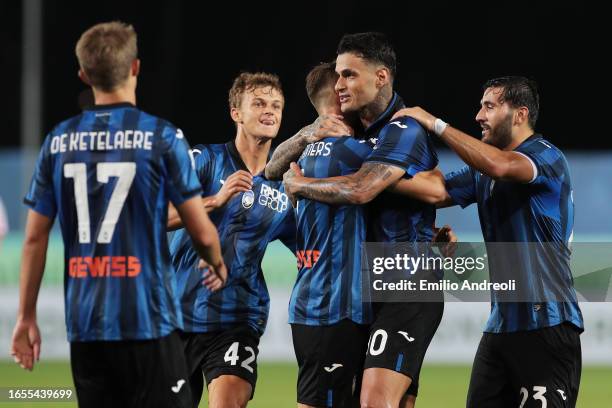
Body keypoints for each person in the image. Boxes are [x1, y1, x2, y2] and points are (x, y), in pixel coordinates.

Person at [10, 21, 226, 408]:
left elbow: (34, 237)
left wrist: (25, 316)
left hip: (87, 325)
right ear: (135, 68)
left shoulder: (59, 140)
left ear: (83, 74)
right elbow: (202, 231)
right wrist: (215, 260)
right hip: (149, 321)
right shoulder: (162, 136)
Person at [272, 33, 445, 408]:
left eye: (349, 75)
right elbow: (272, 168)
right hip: (368, 288)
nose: (340, 85)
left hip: (407, 284)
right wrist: (306, 134)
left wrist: (301, 185)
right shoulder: (359, 132)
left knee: (374, 401)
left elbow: (363, 189)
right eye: (338, 76)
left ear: (381, 77)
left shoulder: (402, 128)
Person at [391, 76, 583, 407]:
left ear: (520, 114)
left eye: (490, 106)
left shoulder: (547, 157)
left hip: (547, 325)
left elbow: (498, 165)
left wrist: (435, 124)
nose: (479, 115)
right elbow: (434, 191)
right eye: (481, 106)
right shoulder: (484, 171)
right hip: (500, 329)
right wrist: (372, 171)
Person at [168, 72, 296, 408]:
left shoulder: (284, 191)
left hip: (238, 318)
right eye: (259, 103)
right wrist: (213, 201)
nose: (270, 111)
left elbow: (315, 248)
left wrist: (417, 247)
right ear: (236, 113)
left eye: (276, 105)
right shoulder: (205, 161)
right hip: (179, 314)